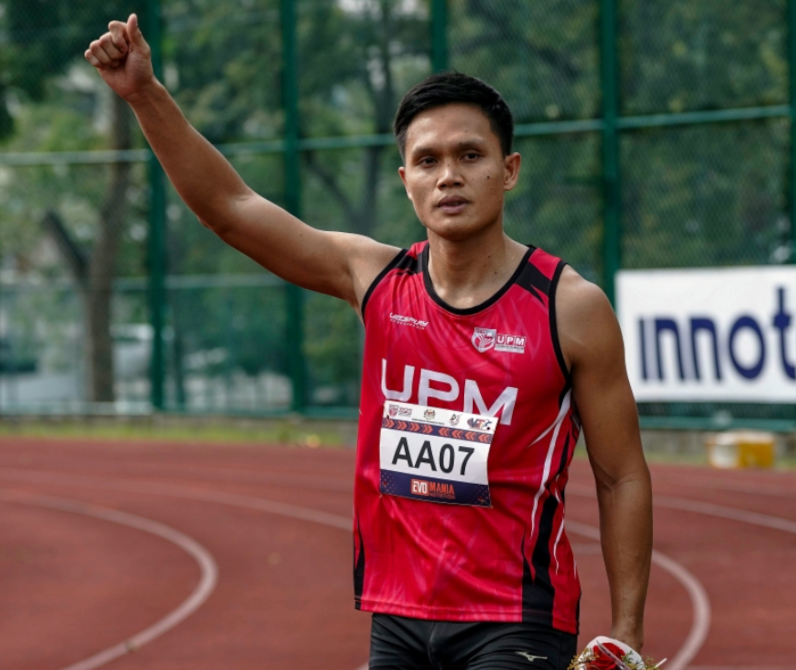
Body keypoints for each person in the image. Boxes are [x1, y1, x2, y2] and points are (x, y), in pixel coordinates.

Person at [86, 14, 653, 669]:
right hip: (398, 618)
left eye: (470, 155)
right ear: (404, 178)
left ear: (509, 169)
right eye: (428, 160)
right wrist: (143, 95)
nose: (448, 176)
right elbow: (231, 210)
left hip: (516, 618)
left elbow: (620, 474)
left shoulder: (569, 308)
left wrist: (628, 631)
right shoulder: (375, 279)